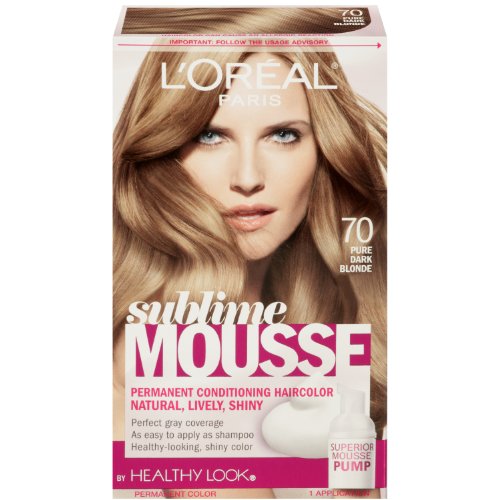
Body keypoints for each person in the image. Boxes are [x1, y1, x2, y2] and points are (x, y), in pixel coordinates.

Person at [113, 10, 386, 500]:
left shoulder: (333, 329)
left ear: (324, 149)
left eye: (283, 135)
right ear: (163, 151)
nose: (246, 177)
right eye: (209, 135)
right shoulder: (153, 353)